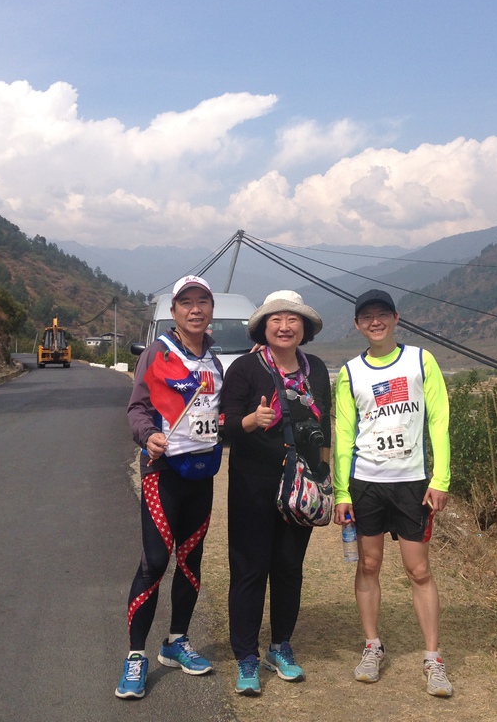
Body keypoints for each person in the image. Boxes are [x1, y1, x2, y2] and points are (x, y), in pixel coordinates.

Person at [332, 289, 454, 697]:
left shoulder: (421, 360)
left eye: (382, 314)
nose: (375, 321)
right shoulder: (350, 372)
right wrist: (342, 491)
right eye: (367, 316)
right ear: (357, 325)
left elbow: (439, 420)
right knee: (368, 565)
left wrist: (441, 479)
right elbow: (344, 433)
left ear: (396, 318)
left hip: (412, 482)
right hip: (366, 482)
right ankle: (372, 646)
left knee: (419, 570)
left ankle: (433, 658)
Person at [116, 275, 224, 700]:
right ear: (174, 311)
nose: (196, 309)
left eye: (203, 301)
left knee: (190, 559)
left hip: (202, 474)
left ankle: (176, 641)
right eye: (186, 302)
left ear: (211, 309)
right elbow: (137, 407)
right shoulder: (158, 353)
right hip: (163, 473)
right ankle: (135, 657)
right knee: (155, 562)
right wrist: (148, 436)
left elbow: (217, 412)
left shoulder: (214, 360)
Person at [220, 290, 332, 696]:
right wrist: (252, 420)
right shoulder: (245, 369)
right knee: (249, 569)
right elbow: (225, 424)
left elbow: (326, 425)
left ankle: (280, 646)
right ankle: (246, 656)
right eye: (276, 320)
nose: (285, 327)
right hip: (253, 483)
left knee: (288, 567)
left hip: (301, 485)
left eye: (292, 320)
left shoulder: (316, 369)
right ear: (263, 328)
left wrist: (325, 475)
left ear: (304, 327)